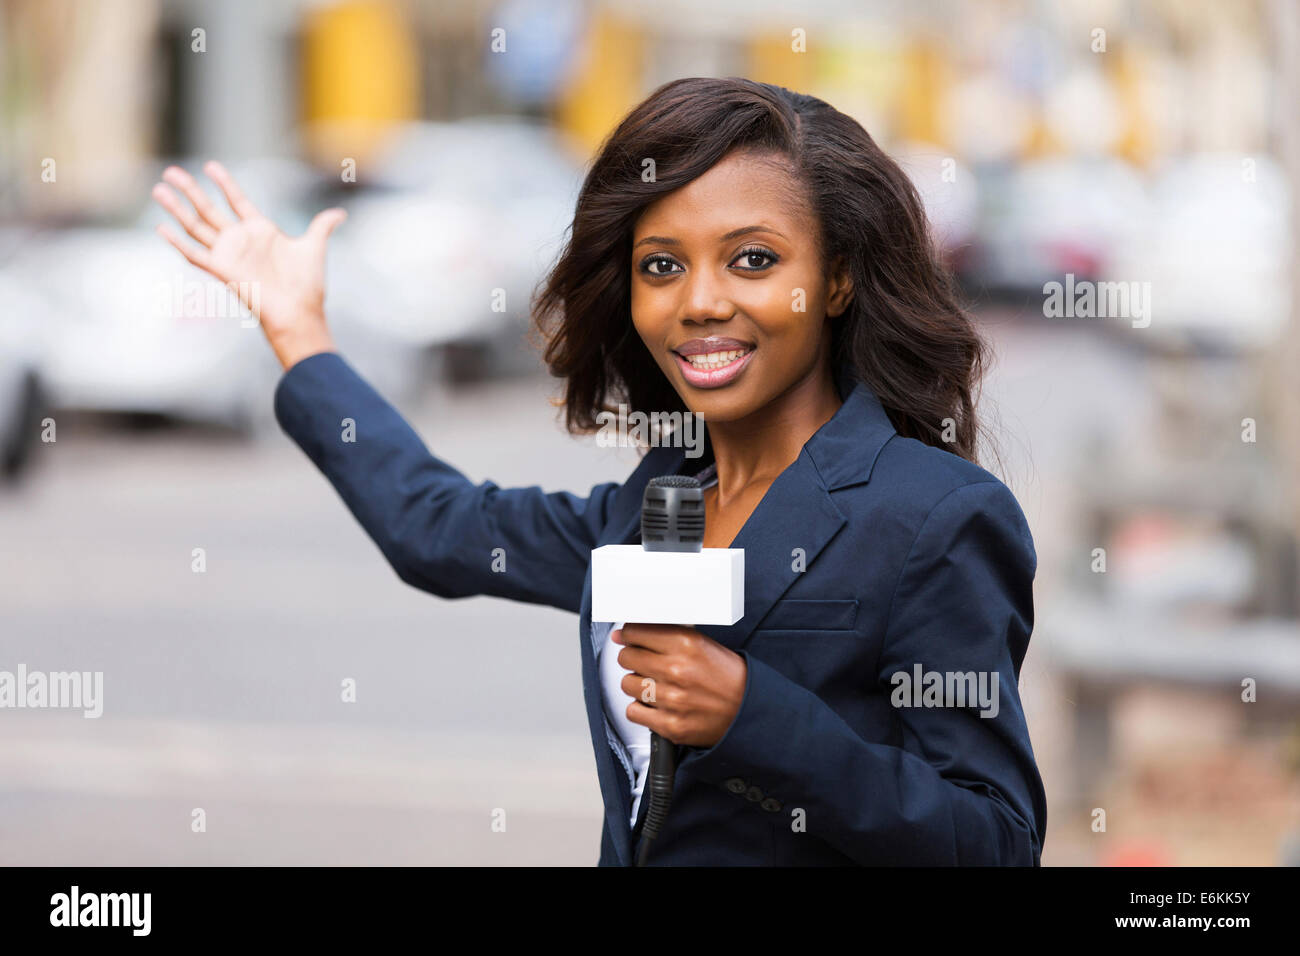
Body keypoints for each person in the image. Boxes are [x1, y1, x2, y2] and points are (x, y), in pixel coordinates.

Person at [152, 76, 1047, 866]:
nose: (700, 301)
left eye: (754, 260)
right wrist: (299, 334)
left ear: (838, 280)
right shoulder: (653, 505)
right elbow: (435, 526)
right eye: (663, 266)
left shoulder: (934, 517)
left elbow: (994, 839)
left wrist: (751, 716)